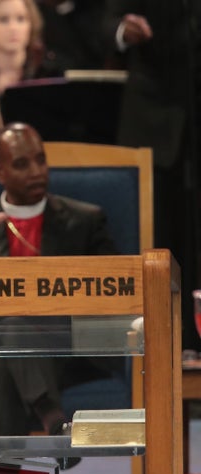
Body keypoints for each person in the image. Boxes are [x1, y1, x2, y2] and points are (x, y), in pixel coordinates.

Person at [0, 122, 119, 467]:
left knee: (10, 344)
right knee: (11, 335)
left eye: (41, 160)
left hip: (67, 350)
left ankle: (4, 472)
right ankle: (55, 422)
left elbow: (112, 292)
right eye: (21, 164)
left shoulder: (84, 221)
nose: (37, 171)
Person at [104, 0, 201, 352]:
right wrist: (123, 32)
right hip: (155, 121)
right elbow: (105, 21)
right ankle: (168, 345)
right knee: (160, 238)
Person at [0, 0, 46, 128]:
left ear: (31, 24)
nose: (13, 28)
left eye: (21, 19)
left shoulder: (47, 74)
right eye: (3, 19)